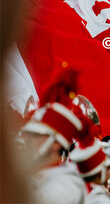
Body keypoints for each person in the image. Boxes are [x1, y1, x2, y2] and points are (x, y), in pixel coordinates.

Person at [21, 69, 86, 204]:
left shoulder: (65, 187)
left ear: (56, 143)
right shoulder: (37, 175)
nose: (27, 139)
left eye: (36, 135)